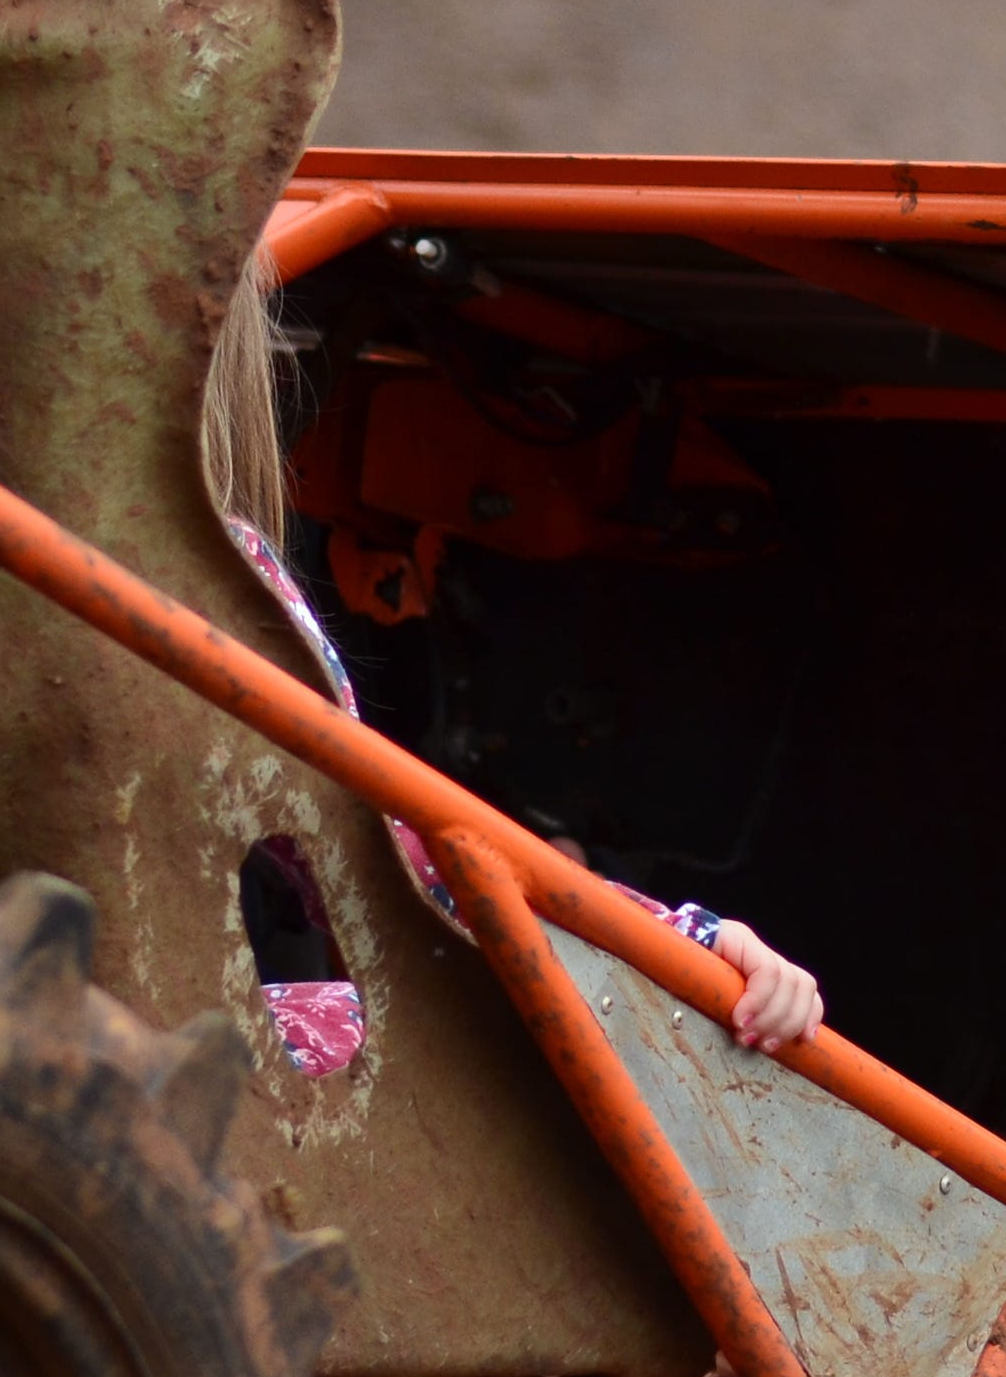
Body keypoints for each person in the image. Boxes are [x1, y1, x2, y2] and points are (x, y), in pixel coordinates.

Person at [200, 239, 822, 1081]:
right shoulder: (226, 584)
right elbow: (365, 846)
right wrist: (684, 939)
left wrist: (682, 934)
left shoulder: (215, 583)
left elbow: (357, 839)